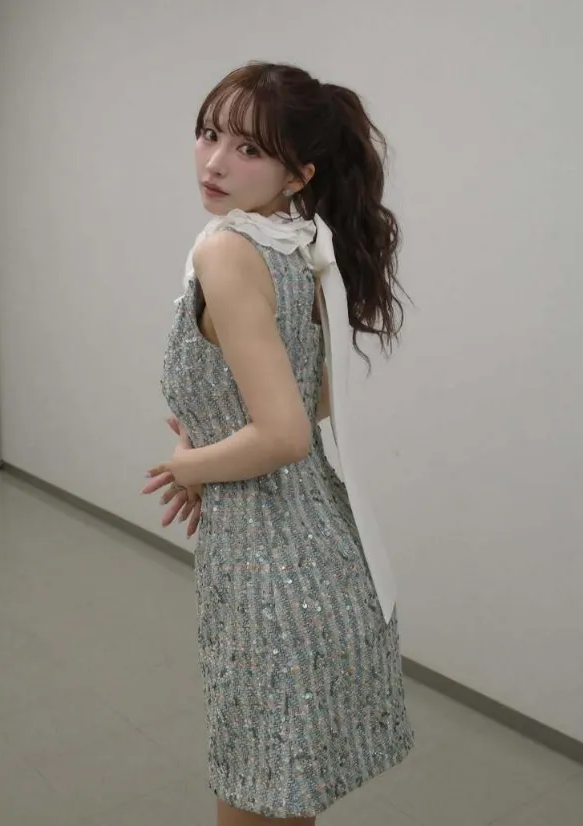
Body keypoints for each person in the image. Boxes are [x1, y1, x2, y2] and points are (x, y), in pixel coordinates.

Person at [142, 61, 414, 826]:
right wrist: (217, 446)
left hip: (272, 576)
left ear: (299, 174)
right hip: (328, 557)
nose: (215, 162)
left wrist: (189, 465)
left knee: (258, 797)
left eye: (249, 149)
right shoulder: (297, 246)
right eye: (208, 134)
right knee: (285, 802)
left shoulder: (228, 251)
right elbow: (315, 399)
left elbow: (285, 434)